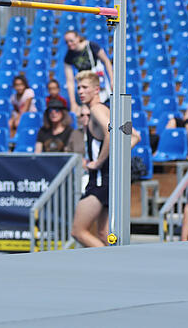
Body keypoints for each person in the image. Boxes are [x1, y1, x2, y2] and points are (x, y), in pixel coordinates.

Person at [71, 71, 111, 247]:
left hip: (100, 180)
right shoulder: (105, 109)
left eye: (85, 87)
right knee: (103, 234)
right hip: (107, 180)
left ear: (96, 90)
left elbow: (111, 134)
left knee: (78, 231)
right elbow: (134, 137)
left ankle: (112, 267)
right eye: (78, 87)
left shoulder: (96, 109)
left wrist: (99, 161)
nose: (80, 91)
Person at [62, 30, 114, 107]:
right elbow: (70, 81)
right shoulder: (68, 57)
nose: (69, 44)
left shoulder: (91, 46)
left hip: (98, 81)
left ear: (78, 38)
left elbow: (106, 61)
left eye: (71, 41)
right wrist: (73, 103)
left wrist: (112, 80)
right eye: (67, 42)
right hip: (85, 83)